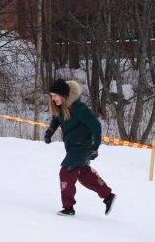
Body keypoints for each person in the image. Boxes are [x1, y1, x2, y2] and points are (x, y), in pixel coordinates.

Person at [45, 79, 116, 217]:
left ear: (63, 95)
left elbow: (96, 126)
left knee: (66, 173)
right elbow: (56, 119)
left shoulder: (79, 108)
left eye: (55, 95)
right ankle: (108, 195)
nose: (53, 99)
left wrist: (95, 146)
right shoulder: (61, 107)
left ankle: (68, 207)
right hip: (73, 147)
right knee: (83, 174)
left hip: (83, 147)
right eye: (51, 96)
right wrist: (50, 132)